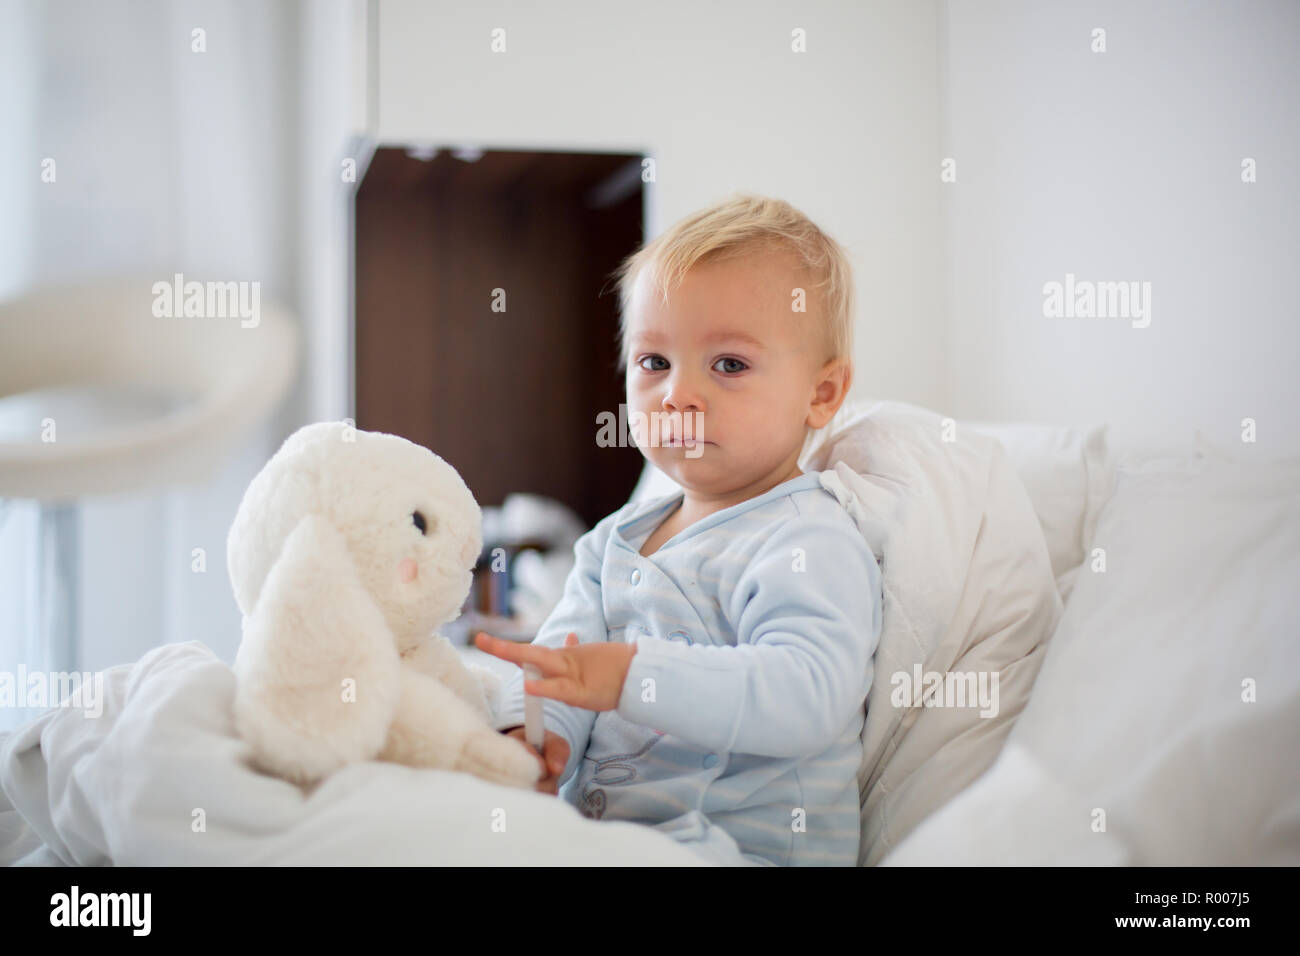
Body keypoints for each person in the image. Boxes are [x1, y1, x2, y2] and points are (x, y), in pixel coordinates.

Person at [475, 193, 882, 866]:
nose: (676, 394)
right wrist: (537, 733)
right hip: (603, 838)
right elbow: (564, 661)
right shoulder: (612, 542)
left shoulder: (809, 538)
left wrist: (634, 675)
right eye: (654, 363)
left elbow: (810, 692)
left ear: (822, 393)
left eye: (728, 365)